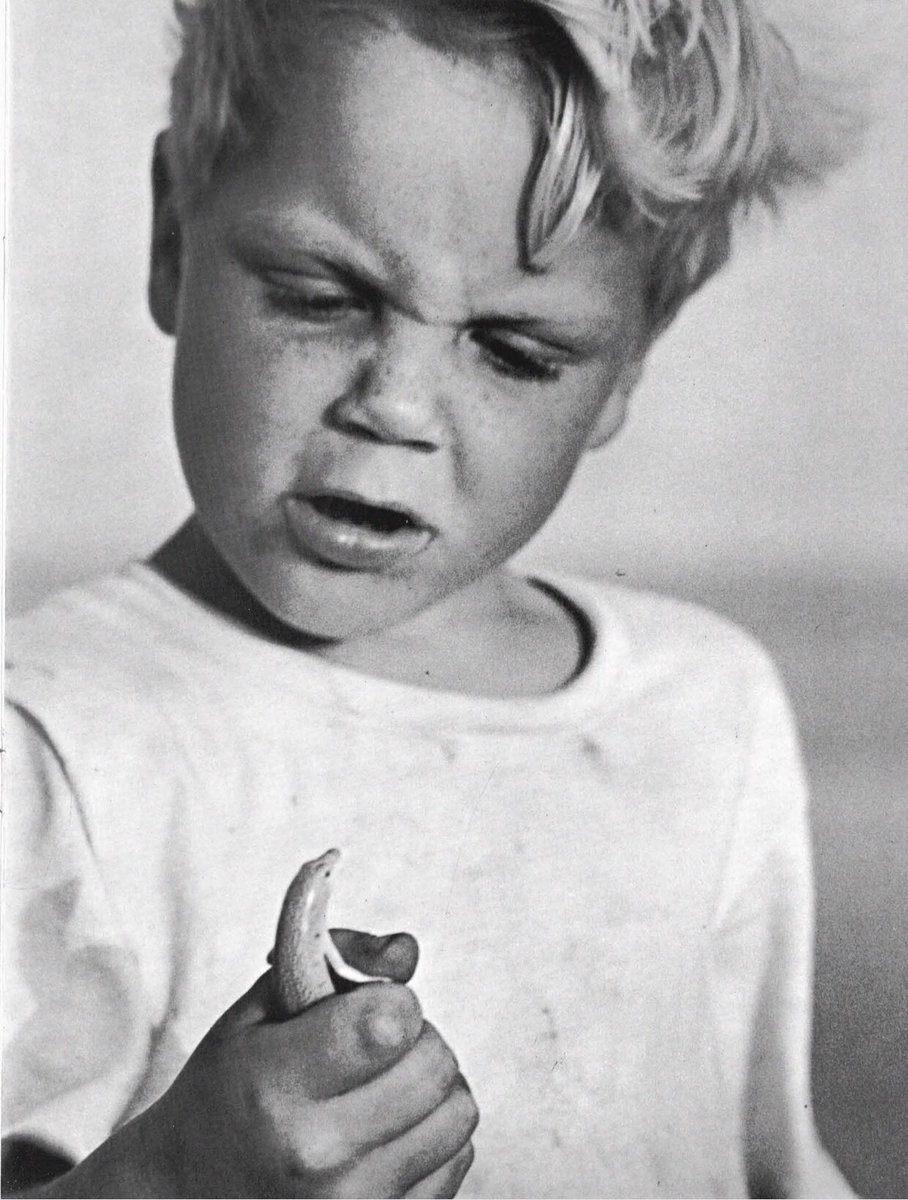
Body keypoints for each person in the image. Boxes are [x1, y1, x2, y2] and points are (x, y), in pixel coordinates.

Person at [2, 1, 858, 1196]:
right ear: (170, 235)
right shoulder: (46, 738)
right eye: (319, 295)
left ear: (627, 364)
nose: (394, 406)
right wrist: (167, 1179)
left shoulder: (704, 713)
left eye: (513, 351)